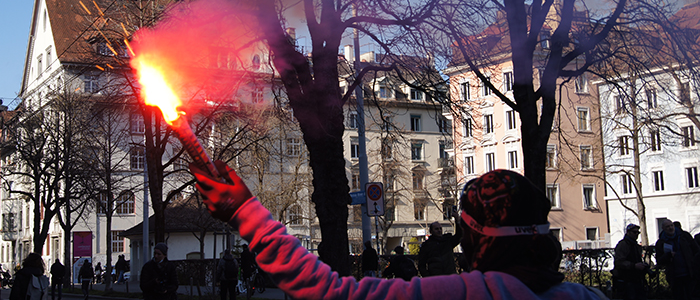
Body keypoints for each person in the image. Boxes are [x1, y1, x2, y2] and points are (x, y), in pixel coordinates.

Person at [191, 161, 604, 299]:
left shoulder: (480, 292)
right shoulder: (585, 295)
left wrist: (245, 212)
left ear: (479, 234)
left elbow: (332, 294)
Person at [655, 218, 699, 300]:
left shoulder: (685, 236)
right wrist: (667, 256)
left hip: (690, 273)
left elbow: (696, 251)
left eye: (671, 225)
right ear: (663, 229)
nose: (670, 228)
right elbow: (659, 260)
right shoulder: (661, 242)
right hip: (674, 276)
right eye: (668, 227)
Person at [614, 224, 652, 300]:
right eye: (634, 232)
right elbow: (619, 262)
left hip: (636, 279)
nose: (636, 235)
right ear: (628, 232)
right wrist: (634, 265)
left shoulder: (635, 245)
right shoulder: (623, 244)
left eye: (638, 233)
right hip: (626, 280)